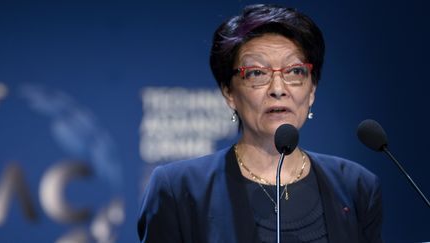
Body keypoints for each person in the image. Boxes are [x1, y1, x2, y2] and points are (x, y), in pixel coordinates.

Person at [137, 4, 383, 243]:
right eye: (257, 73)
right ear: (229, 92)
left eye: (295, 71)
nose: (278, 89)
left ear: (312, 91)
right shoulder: (178, 190)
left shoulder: (356, 187)